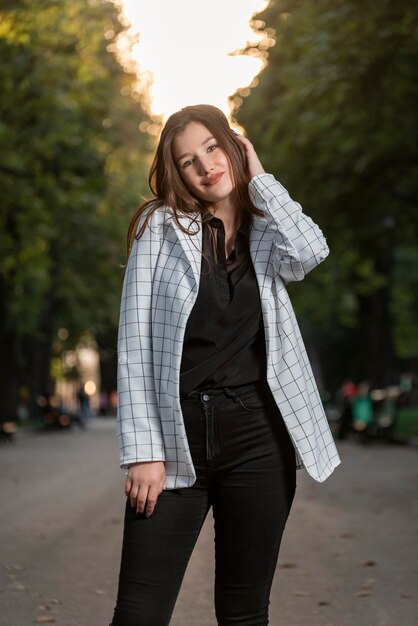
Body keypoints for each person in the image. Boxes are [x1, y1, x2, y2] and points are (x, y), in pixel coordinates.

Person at [110, 104, 341, 626]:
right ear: (178, 173)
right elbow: (136, 341)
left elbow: (311, 251)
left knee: (243, 613)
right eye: (188, 160)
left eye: (213, 147)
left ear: (233, 145)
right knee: (138, 614)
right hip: (177, 437)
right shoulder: (161, 228)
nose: (206, 166)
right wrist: (144, 451)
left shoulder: (268, 230)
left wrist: (260, 180)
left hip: (259, 436)